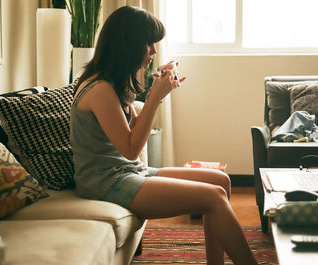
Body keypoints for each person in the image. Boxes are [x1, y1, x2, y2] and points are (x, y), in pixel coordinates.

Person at [70, 5, 258, 265]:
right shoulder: (99, 88)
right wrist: (155, 99)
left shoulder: (112, 82)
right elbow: (131, 148)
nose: (153, 52)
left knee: (222, 181)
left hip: (128, 172)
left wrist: (153, 95)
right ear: (129, 44)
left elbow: (133, 132)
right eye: (148, 44)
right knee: (213, 197)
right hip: (107, 181)